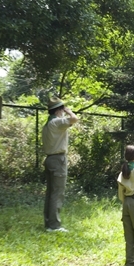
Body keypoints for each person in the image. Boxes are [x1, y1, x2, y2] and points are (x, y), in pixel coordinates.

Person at [42, 97, 79, 232]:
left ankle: (48, 223)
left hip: (49, 159)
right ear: (58, 110)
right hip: (58, 160)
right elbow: (74, 119)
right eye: (62, 109)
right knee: (57, 193)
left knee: (51, 192)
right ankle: (54, 225)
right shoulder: (57, 122)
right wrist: (69, 112)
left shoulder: (47, 124)